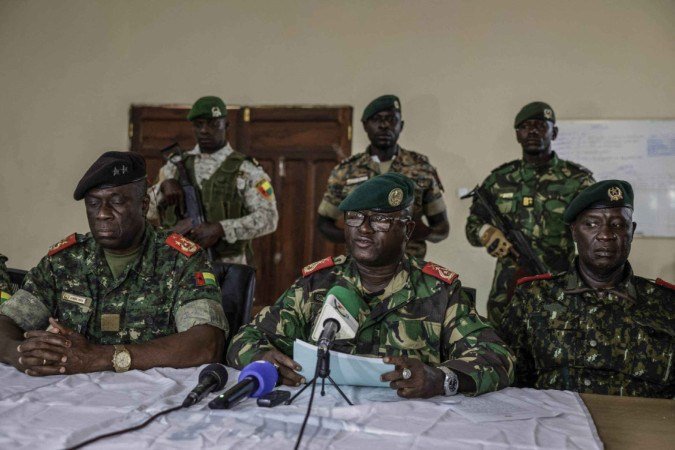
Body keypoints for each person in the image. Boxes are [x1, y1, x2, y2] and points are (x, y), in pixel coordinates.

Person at [228, 173, 514, 398]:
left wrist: (442, 379)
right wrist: (264, 359)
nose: (364, 228)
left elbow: (498, 357)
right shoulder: (316, 284)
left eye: (380, 219)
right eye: (354, 217)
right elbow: (245, 338)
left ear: (407, 230)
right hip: (328, 419)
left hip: (411, 427)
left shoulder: (439, 292)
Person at [0, 151, 228, 376]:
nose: (102, 214)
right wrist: (18, 352)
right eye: (93, 203)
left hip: (152, 393)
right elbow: (7, 322)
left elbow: (207, 344)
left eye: (116, 202)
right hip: (72, 393)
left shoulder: (181, 260)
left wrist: (100, 357)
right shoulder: (64, 261)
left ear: (144, 205)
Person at [501, 180, 674, 398]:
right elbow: (507, 381)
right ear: (574, 232)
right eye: (591, 224)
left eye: (618, 225)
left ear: (632, 231)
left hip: (644, 419)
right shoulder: (533, 297)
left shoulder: (667, 303)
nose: (605, 235)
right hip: (554, 418)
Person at [465, 101, 595, 326]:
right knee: (502, 345)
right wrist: (486, 232)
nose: (533, 131)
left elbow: (595, 233)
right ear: (517, 134)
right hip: (506, 292)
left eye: (541, 125)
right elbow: (472, 225)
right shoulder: (499, 179)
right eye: (526, 126)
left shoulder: (577, 180)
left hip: (559, 288)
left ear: (554, 132)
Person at [147, 96, 278, 265]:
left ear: (226, 125)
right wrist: (163, 187)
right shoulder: (175, 166)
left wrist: (221, 228)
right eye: (198, 124)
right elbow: (146, 210)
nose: (204, 130)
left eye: (213, 124)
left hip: (227, 266)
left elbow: (269, 218)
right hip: (178, 266)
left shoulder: (246, 170)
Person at [317, 95, 449, 259]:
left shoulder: (421, 169)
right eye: (376, 119)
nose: (384, 125)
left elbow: (442, 228)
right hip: (361, 266)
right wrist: (356, 235)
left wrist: (423, 232)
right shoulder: (346, 171)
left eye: (391, 119)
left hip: (408, 265)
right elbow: (323, 224)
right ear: (365, 125)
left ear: (401, 125)